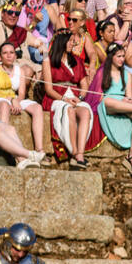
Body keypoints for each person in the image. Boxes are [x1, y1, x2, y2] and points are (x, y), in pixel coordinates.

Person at [42, 29, 95, 170]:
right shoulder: (48, 60)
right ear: (62, 42)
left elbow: (84, 84)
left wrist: (81, 98)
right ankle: (74, 152)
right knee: (69, 111)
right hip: (57, 97)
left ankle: (80, 155)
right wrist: (65, 99)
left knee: (85, 112)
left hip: (75, 97)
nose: (74, 43)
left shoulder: (77, 60)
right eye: (71, 41)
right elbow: (48, 89)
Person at [0, 41, 46, 154]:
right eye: (5, 53)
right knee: (4, 105)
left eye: (11, 53)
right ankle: (5, 145)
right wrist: (12, 101)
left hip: (15, 97)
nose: (9, 55)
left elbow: (22, 93)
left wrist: (16, 101)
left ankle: (39, 149)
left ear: (15, 55)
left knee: (37, 107)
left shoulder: (20, 70)